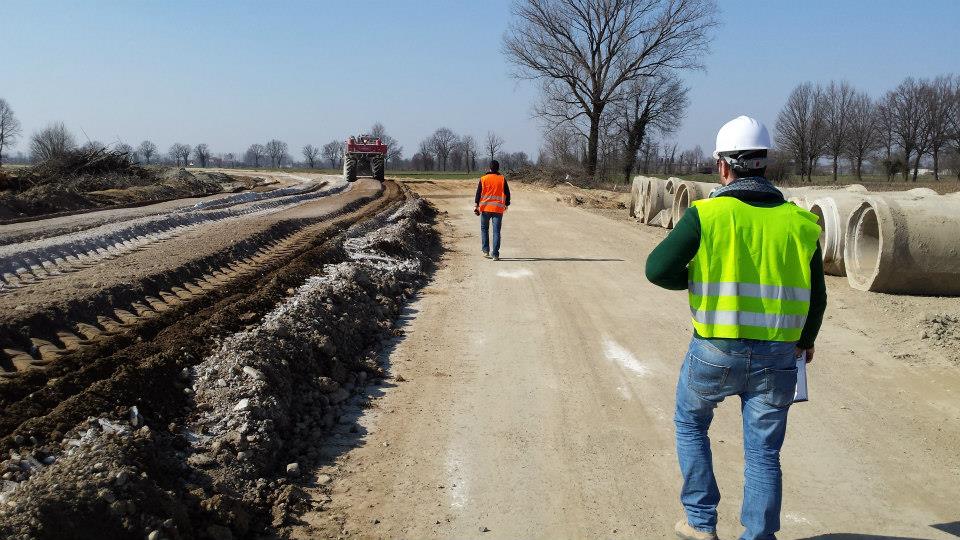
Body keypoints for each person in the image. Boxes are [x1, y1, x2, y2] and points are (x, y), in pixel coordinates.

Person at [645, 116, 827, 540]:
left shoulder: (706, 215)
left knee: (691, 423)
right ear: (764, 164)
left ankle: (700, 523)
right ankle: (759, 536)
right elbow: (817, 297)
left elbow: (656, 269)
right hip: (779, 356)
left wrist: (695, 280)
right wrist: (807, 340)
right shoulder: (801, 223)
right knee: (764, 452)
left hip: (715, 351)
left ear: (723, 167)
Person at [474, 160, 510, 260]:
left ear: (489, 168)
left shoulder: (483, 179)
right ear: (498, 168)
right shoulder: (502, 179)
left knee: (484, 229)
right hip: (498, 209)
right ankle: (495, 254)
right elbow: (507, 193)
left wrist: (476, 205)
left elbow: (478, 193)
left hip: (485, 209)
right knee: (496, 231)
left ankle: (486, 251)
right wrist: (507, 204)